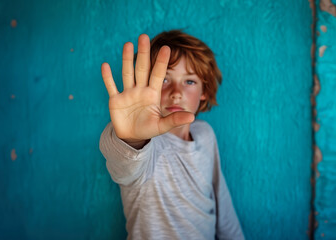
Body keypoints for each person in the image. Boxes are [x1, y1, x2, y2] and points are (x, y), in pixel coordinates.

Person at [99, 30, 244, 240]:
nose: (176, 92)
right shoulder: (146, 146)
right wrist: (131, 139)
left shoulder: (205, 135)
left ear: (205, 90)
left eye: (190, 81)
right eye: (165, 79)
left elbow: (223, 207)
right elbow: (124, 164)